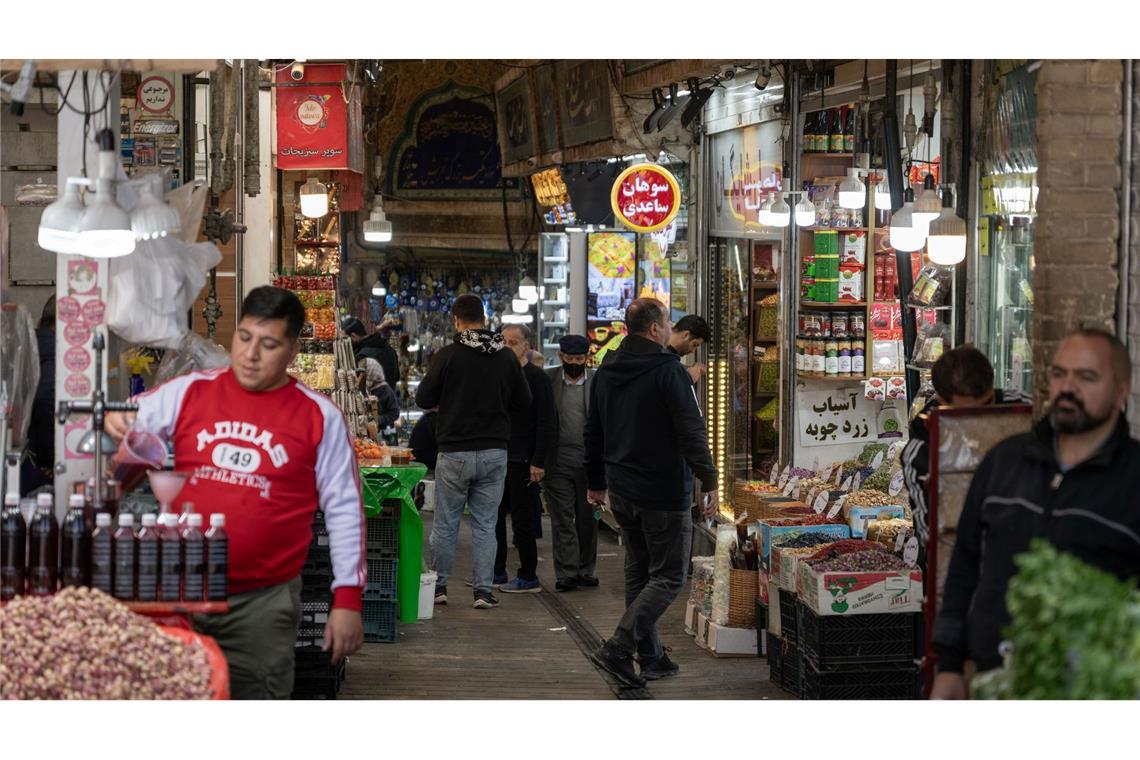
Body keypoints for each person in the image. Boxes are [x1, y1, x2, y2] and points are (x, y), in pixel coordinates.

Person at [105, 286, 366, 699]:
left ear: (293, 350)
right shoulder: (190, 391)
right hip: (179, 589)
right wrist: (118, 422)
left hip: (260, 603)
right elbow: (127, 416)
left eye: (269, 344)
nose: (250, 354)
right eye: (244, 337)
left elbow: (345, 510)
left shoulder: (320, 417)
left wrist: (347, 599)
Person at [930, 328, 1140, 700]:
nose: (1068, 387)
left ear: (1121, 391)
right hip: (993, 683)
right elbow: (964, 564)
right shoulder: (1005, 462)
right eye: (1060, 374)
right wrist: (948, 665)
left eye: (1087, 377)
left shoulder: (1133, 479)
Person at [584, 298, 719, 687]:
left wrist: (595, 482)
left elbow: (593, 431)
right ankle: (618, 648)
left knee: (639, 573)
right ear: (656, 329)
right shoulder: (669, 373)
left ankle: (652, 656)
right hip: (662, 490)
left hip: (622, 490)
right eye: (667, 322)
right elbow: (691, 433)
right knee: (670, 576)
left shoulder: (607, 371)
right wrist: (708, 479)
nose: (668, 328)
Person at [415, 294, 531, 610]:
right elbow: (524, 401)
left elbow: (423, 399)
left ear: (456, 320)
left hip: (455, 452)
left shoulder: (448, 356)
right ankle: (483, 590)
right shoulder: (506, 357)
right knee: (485, 524)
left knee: (446, 523)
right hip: (495, 451)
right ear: (484, 318)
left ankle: (438, 587)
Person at [901, 345, 1032, 545]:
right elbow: (932, 534)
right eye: (967, 414)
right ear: (942, 402)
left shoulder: (1025, 411)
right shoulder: (922, 451)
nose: (979, 420)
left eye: (987, 405)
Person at [494, 324, 556, 593]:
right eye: (503, 341)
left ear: (527, 346)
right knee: (492, 518)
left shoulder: (537, 378)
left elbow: (547, 422)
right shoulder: (494, 375)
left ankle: (528, 574)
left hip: (523, 460)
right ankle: (495, 571)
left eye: (514, 342)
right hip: (496, 457)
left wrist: (539, 461)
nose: (508, 346)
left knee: (522, 520)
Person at [544, 334, 600, 592]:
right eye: (570, 359)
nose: (575, 363)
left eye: (580, 359)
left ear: (587, 357)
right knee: (563, 519)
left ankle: (586, 569)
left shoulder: (598, 381)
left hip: (591, 462)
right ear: (561, 357)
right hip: (557, 461)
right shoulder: (549, 380)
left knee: (587, 519)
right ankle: (567, 572)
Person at [22, 296, 55, 496]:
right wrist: (49, 458)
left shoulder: (26, 346)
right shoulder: (55, 352)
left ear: (40, 322)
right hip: (38, 464)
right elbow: (45, 398)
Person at [343, 316, 399, 394]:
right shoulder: (390, 350)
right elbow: (396, 378)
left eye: (345, 338)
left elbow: (357, 390)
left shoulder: (361, 356)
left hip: (372, 404)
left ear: (353, 336)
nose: (344, 343)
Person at [359, 356, 401, 434]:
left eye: (364, 373)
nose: (361, 376)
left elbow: (395, 413)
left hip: (384, 433)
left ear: (371, 372)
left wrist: (378, 419)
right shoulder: (365, 389)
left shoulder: (385, 390)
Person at [667, 314, 709, 386]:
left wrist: (689, 369)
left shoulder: (668, 357)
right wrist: (688, 379)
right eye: (694, 345)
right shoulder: (660, 353)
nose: (693, 351)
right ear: (686, 335)